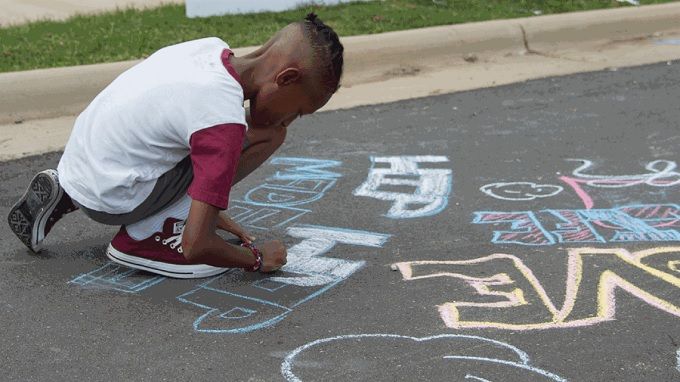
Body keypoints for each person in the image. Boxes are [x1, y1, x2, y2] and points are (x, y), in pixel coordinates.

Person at [7, 13, 344, 279]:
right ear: (285, 78)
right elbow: (197, 246)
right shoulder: (221, 118)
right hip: (116, 194)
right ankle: (142, 238)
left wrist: (210, 210)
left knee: (180, 145)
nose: (290, 119)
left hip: (82, 163)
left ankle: (66, 192)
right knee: (268, 135)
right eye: (298, 110)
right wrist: (256, 258)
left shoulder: (207, 50)